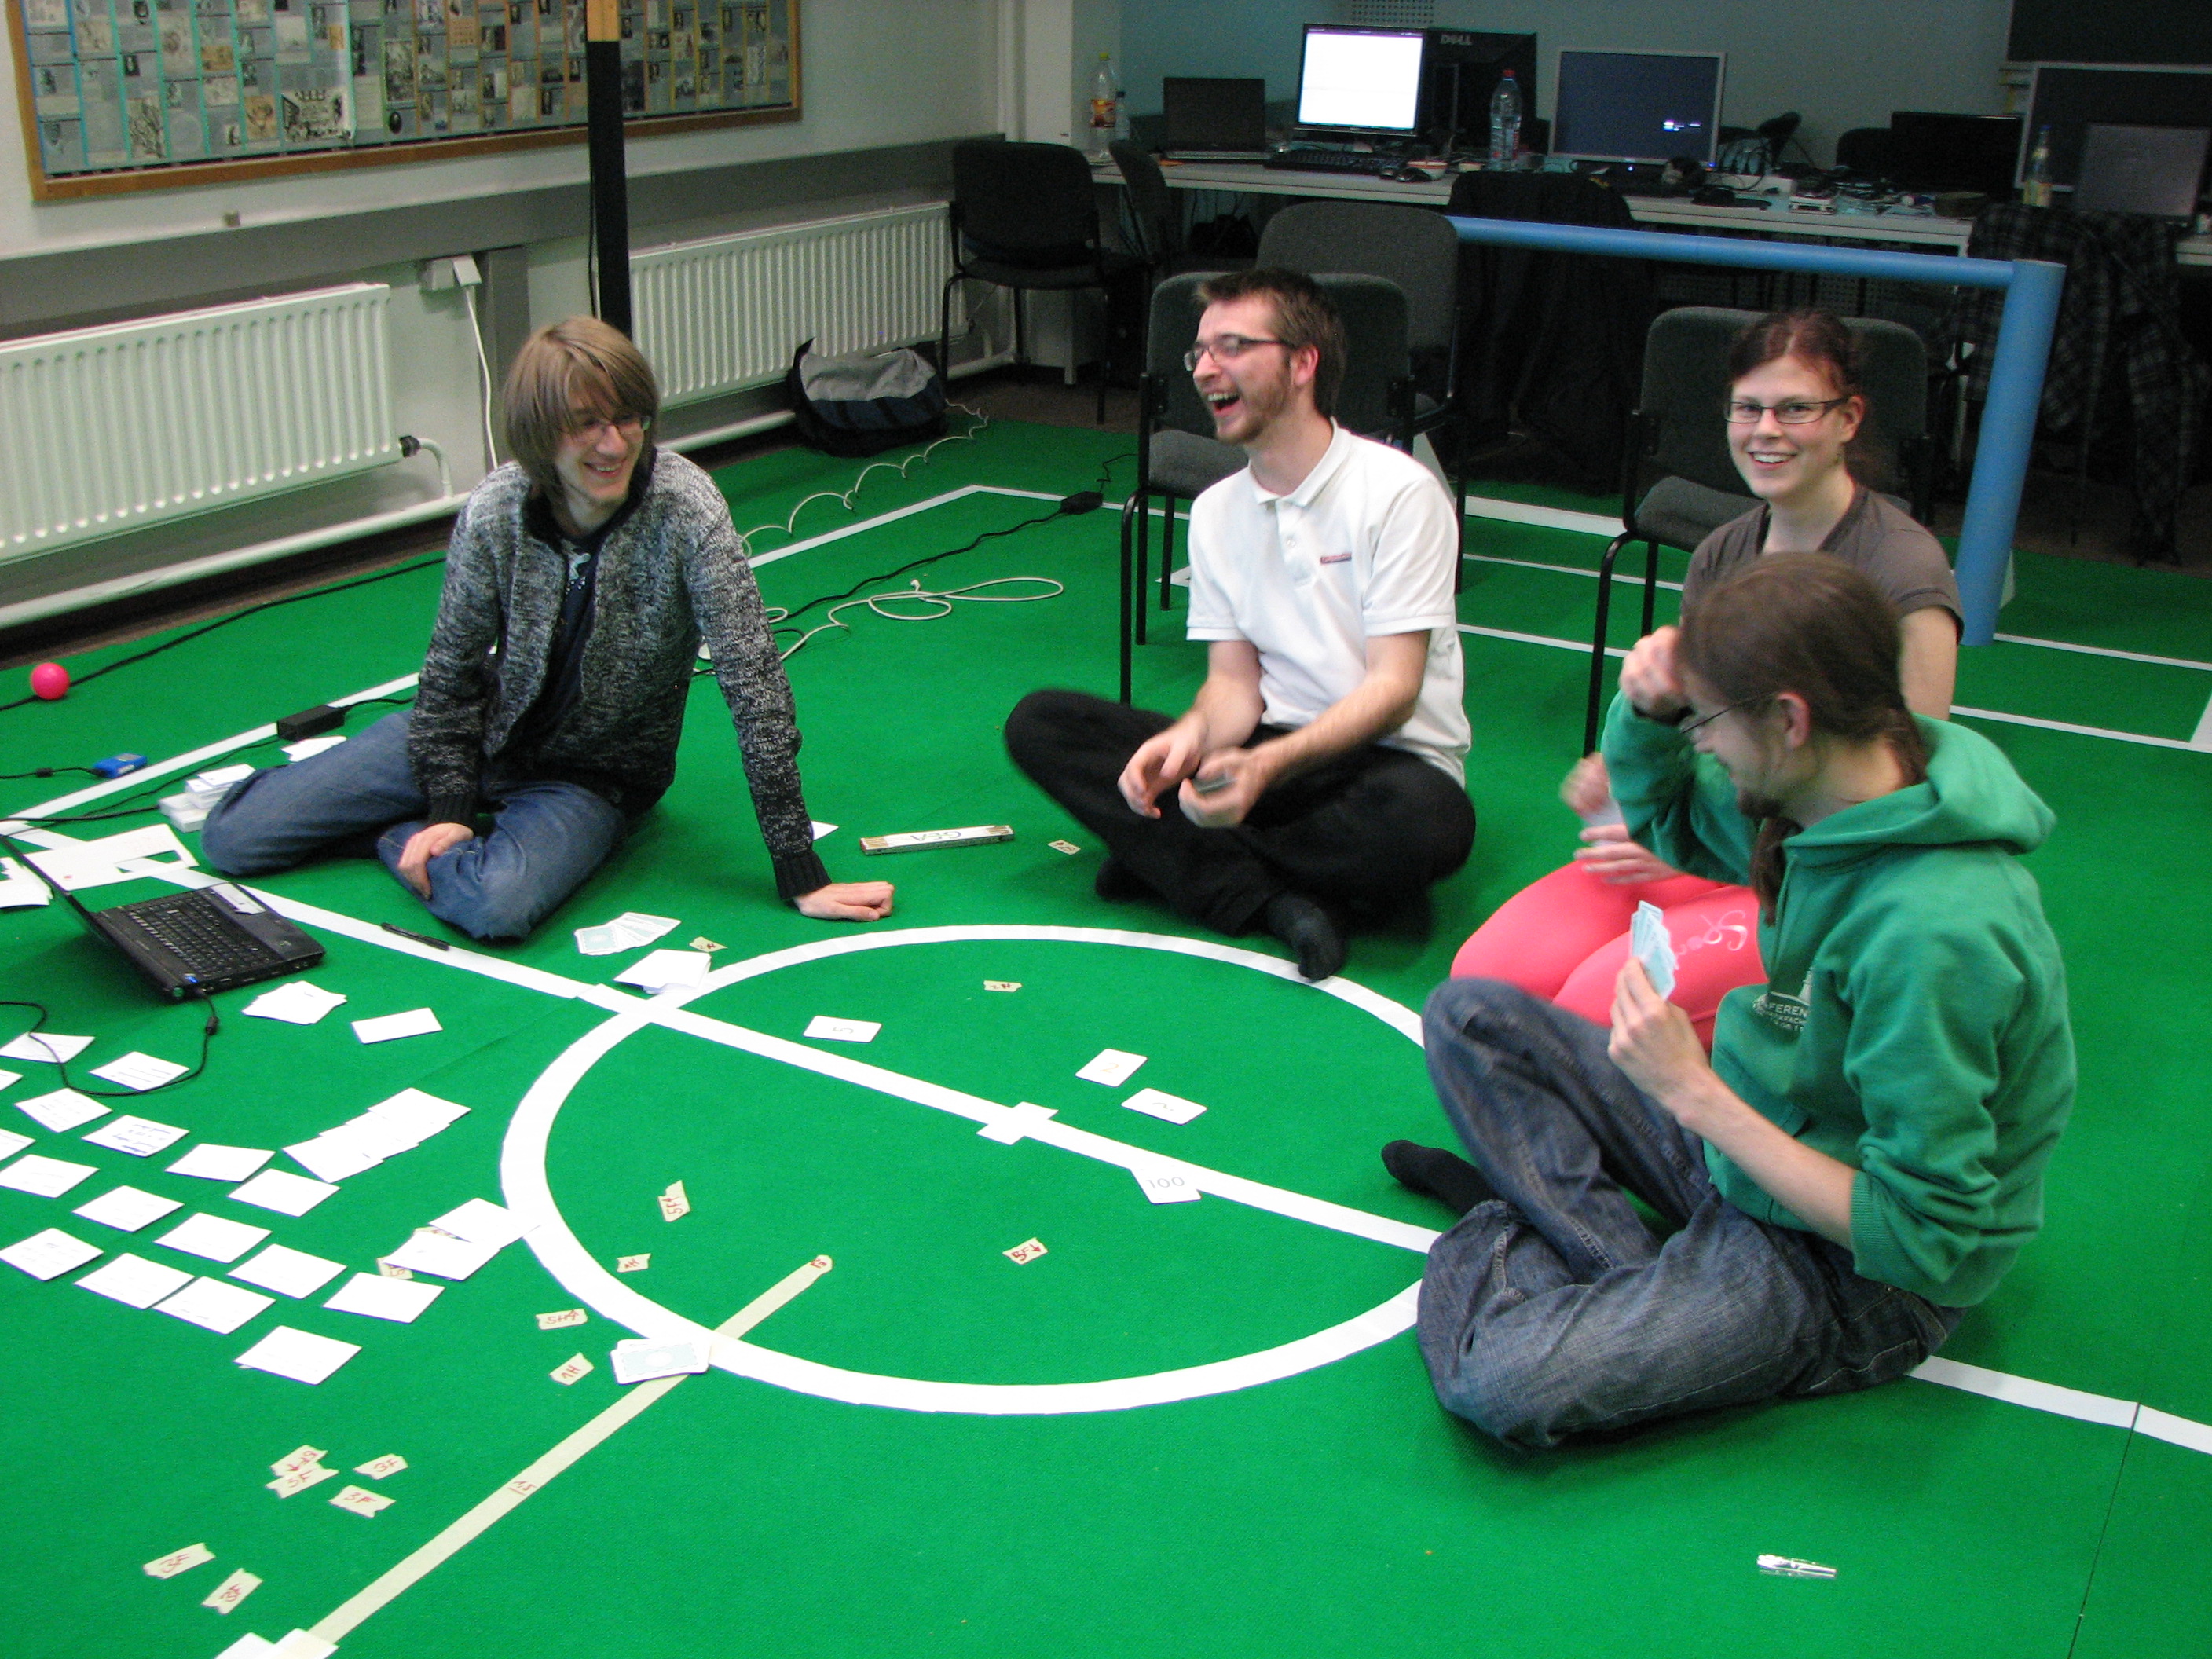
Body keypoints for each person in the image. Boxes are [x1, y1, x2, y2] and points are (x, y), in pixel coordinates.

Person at [1387, 553, 2072, 1448]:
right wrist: (1648, 712)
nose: (1701, 742)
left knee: (1504, 1381)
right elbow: (1670, 816)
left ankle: (1514, 1221)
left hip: (1854, 1272)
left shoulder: (1933, 932)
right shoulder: (1832, 792)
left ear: (1789, 719)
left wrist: (1693, 1093)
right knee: (1468, 1015)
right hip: (1749, 1150)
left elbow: (1920, 1236)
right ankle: (1618, 1266)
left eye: (1707, 720)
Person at [202, 317, 893, 941]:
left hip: (592, 781)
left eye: (628, 418)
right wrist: (451, 802)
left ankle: (397, 835)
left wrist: (798, 866)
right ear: (539, 434)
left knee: (496, 905)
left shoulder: (687, 509)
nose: (613, 444)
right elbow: (451, 668)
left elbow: (756, 688)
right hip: (475, 742)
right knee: (236, 838)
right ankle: (443, 827)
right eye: (586, 424)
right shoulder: (495, 509)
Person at [1451, 309, 1961, 1043]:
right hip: (1708, 847)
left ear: (1849, 418)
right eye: (1747, 408)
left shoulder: (1903, 572)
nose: (1766, 431)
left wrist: (1690, 840)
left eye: (1795, 409)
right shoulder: (1725, 551)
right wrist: (1633, 783)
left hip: (1814, 878)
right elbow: (1700, 724)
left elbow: (1906, 799)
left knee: (1599, 1013)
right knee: (1484, 982)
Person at [1003, 269, 1474, 980]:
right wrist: (1191, 737)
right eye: (1199, 352)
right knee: (1042, 724)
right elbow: (1233, 687)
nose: (1204, 370)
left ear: (1303, 364)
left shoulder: (1399, 493)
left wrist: (1262, 770)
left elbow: (1395, 691)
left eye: (1232, 347)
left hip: (1382, 763)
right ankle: (1277, 900)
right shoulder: (1217, 511)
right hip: (1264, 750)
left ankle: (1177, 863)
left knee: (1427, 824)